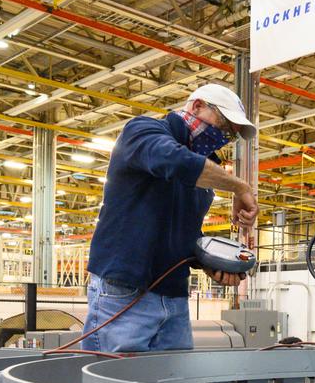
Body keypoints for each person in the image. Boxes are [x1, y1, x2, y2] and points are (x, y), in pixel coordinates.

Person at [81, 84, 259, 352]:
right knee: (114, 376)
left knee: (173, 376)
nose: (222, 137)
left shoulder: (205, 174)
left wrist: (211, 262)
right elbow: (175, 161)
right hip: (127, 290)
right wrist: (239, 186)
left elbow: (186, 235)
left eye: (229, 135)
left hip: (174, 298)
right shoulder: (143, 132)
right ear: (197, 106)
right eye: (223, 126)